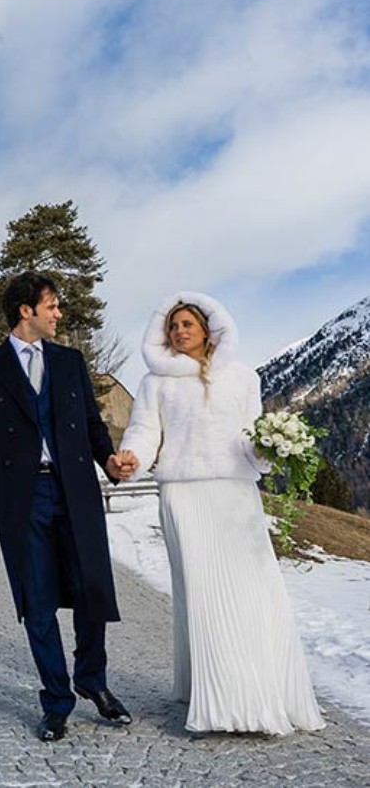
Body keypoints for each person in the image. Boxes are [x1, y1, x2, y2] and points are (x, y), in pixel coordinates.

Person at [119, 292, 325, 736]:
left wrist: (270, 446)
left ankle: (263, 693)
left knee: (254, 593)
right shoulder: (155, 382)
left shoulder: (242, 377)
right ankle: (218, 701)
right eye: (172, 326)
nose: (179, 332)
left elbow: (249, 435)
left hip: (235, 494)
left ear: (208, 329)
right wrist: (131, 458)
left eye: (187, 324)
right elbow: (143, 431)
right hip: (185, 496)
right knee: (204, 596)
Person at [0, 271, 134, 742]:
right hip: (22, 497)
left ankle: (92, 681)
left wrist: (110, 460)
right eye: (52, 305)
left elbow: (93, 424)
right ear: (26, 311)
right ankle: (56, 701)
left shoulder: (70, 361)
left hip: (74, 488)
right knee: (36, 601)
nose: (59, 313)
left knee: (91, 587)